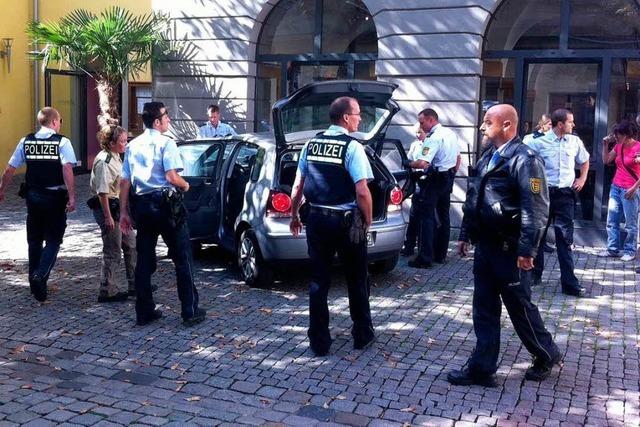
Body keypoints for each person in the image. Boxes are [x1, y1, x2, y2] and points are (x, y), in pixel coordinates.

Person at [448, 104, 561, 387]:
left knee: (520, 308)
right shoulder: (489, 156)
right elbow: (474, 198)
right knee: (483, 308)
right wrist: (465, 234)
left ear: (507, 125)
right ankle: (482, 369)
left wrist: (528, 251)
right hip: (486, 247)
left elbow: (535, 208)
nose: (482, 127)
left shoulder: (526, 159)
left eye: (488, 122)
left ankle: (546, 354)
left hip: (510, 250)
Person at [289, 96, 375, 356]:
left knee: (318, 282)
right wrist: (368, 221)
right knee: (357, 279)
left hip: (316, 220)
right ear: (346, 118)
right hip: (346, 224)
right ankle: (362, 334)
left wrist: (294, 215)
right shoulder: (352, 148)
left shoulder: (311, 145)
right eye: (358, 114)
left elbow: (297, 186)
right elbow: (362, 191)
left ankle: (318, 341)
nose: (360, 118)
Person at [119, 101, 206, 327]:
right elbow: (171, 177)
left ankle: (144, 311)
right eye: (166, 116)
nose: (169, 120)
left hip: (142, 205)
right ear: (157, 121)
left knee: (144, 261)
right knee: (182, 258)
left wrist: (124, 212)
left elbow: (125, 181)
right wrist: (186, 186)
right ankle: (190, 310)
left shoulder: (133, 145)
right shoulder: (166, 144)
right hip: (166, 204)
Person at [0, 107, 76, 302]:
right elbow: (67, 168)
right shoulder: (62, 142)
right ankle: (39, 275)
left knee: (34, 239)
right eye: (59, 121)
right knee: (53, 239)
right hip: (54, 197)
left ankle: (35, 283)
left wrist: (1, 189)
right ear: (53, 122)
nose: (60, 125)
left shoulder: (26, 141)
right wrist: (73, 196)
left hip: (33, 197)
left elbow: (10, 169)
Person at [525, 108, 589, 297]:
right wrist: (534, 189)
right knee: (539, 237)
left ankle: (569, 284)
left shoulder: (575, 141)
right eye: (570, 121)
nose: (574, 124)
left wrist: (582, 179)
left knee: (564, 239)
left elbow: (584, 161)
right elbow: (527, 164)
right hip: (544, 195)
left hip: (565, 196)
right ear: (560, 124)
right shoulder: (539, 142)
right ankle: (534, 276)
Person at [405, 108, 461, 268]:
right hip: (448, 177)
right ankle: (440, 255)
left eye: (422, 122)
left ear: (431, 120)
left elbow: (422, 163)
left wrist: (407, 163)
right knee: (444, 215)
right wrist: (451, 174)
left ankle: (425, 257)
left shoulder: (433, 138)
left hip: (436, 178)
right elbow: (458, 157)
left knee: (426, 217)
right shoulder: (450, 134)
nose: (421, 126)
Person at [89, 125, 136, 302]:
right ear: (111, 143)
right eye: (122, 141)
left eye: (126, 140)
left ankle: (135, 284)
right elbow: (103, 192)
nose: (125, 144)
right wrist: (108, 217)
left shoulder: (116, 156)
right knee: (113, 250)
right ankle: (107, 290)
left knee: (131, 244)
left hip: (117, 207)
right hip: (107, 207)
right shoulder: (104, 162)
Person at [599, 120, 640, 261]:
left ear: (628, 135)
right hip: (616, 187)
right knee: (612, 220)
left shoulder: (638, 148)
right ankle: (612, 249)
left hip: (631, 189)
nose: (616, 137)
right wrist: (605, 145)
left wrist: (634, 188)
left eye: (619, 135)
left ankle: (630, 250)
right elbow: (606, 160)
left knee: (630, 223)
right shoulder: (618, 147)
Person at [401, 127, 427, 256]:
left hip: (426, 181)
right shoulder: (415, 145)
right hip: (416, 179)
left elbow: (422, 164)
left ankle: (421, 247)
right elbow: (409, 160)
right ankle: (410, 245)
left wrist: (413, 164)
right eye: (416, 132)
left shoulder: (430, 144)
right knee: (414, 215)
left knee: (424, 217)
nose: (418, 135)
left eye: (420, 132)